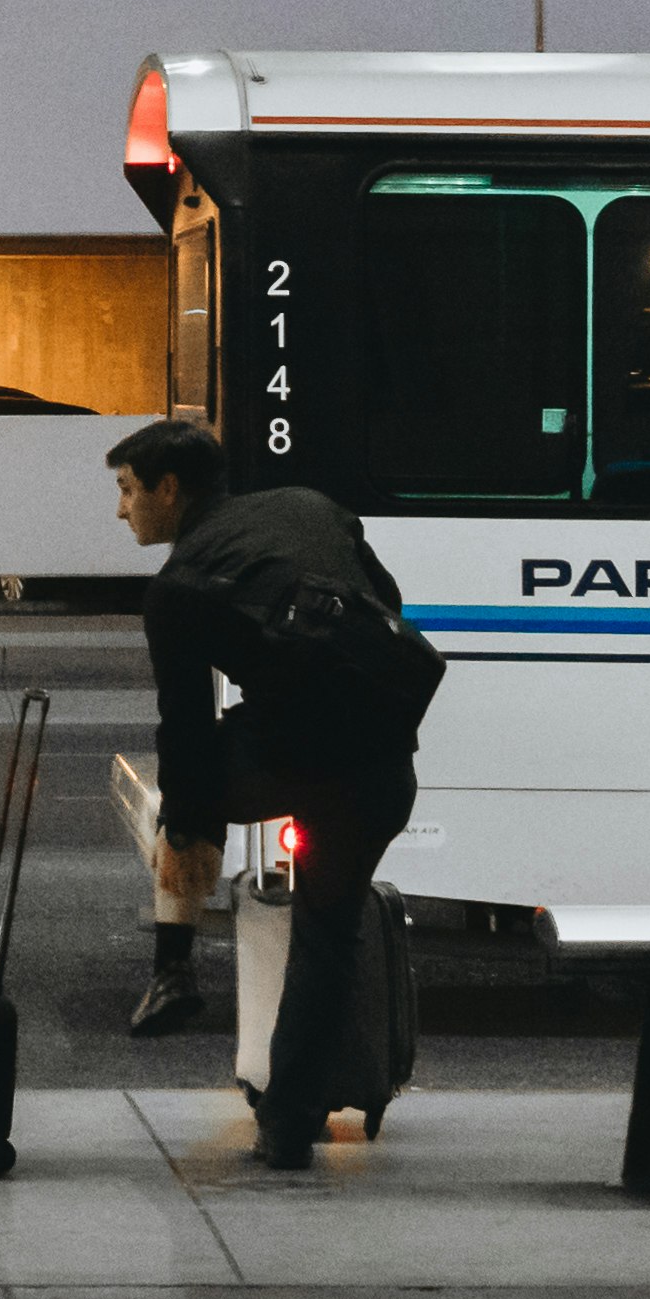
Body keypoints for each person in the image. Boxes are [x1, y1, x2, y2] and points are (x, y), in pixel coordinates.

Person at [107, 413, 417, 1172]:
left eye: (126, 490)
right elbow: (388, 599)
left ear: (168, 488)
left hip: (291, 757)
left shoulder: (177, 590)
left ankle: (172, 961)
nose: (121, 509)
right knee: (327, 935)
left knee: (182, 784)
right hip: (381, 759)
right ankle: (289, 1126)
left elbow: (183, 725)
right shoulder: (309, 505)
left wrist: (184, 821)